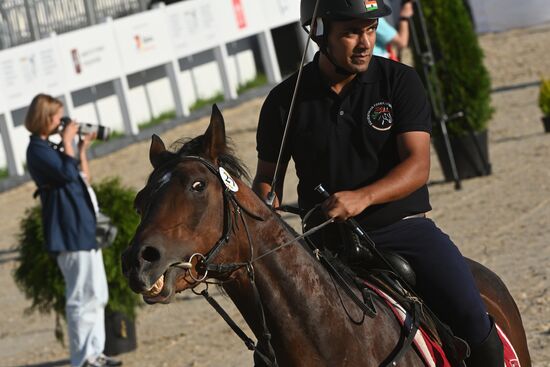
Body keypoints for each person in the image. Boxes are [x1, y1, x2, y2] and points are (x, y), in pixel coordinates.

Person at [252, 0, 503, 365]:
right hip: (324, 244)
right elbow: (266, 179)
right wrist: (265, 200)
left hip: (403, 231)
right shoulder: (282, 102)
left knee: (472, 321)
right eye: (352, 31)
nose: (365, 41)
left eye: (370, 29)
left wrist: (362, 198)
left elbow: (417, 166)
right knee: (269, 352)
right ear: (318, 32)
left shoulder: (400, 81)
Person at [24, 94, 122, 367]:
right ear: (44, 118)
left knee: (97, 293)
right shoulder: (37, 150)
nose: (62, 121)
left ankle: (95, 352)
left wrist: (79, 149)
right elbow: (66, 175)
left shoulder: (50, 148)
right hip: (67, 230)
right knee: (80, 297)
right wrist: (67, 141)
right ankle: (82, 359)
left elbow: (81, 177)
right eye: (57, 116)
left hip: (83, 228)